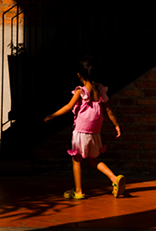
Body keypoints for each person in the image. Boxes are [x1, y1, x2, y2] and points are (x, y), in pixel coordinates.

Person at [43, 56, 126, 199]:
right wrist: (116, 125)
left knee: (76, 159)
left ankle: (78, 191)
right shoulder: (100, 89)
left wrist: (52, 115)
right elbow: (108, 110)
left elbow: (69, 106)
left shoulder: (81, 91)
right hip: (95, 132)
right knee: (94, 160)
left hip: (81, 131)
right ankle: (114, 178)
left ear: (79, 75)